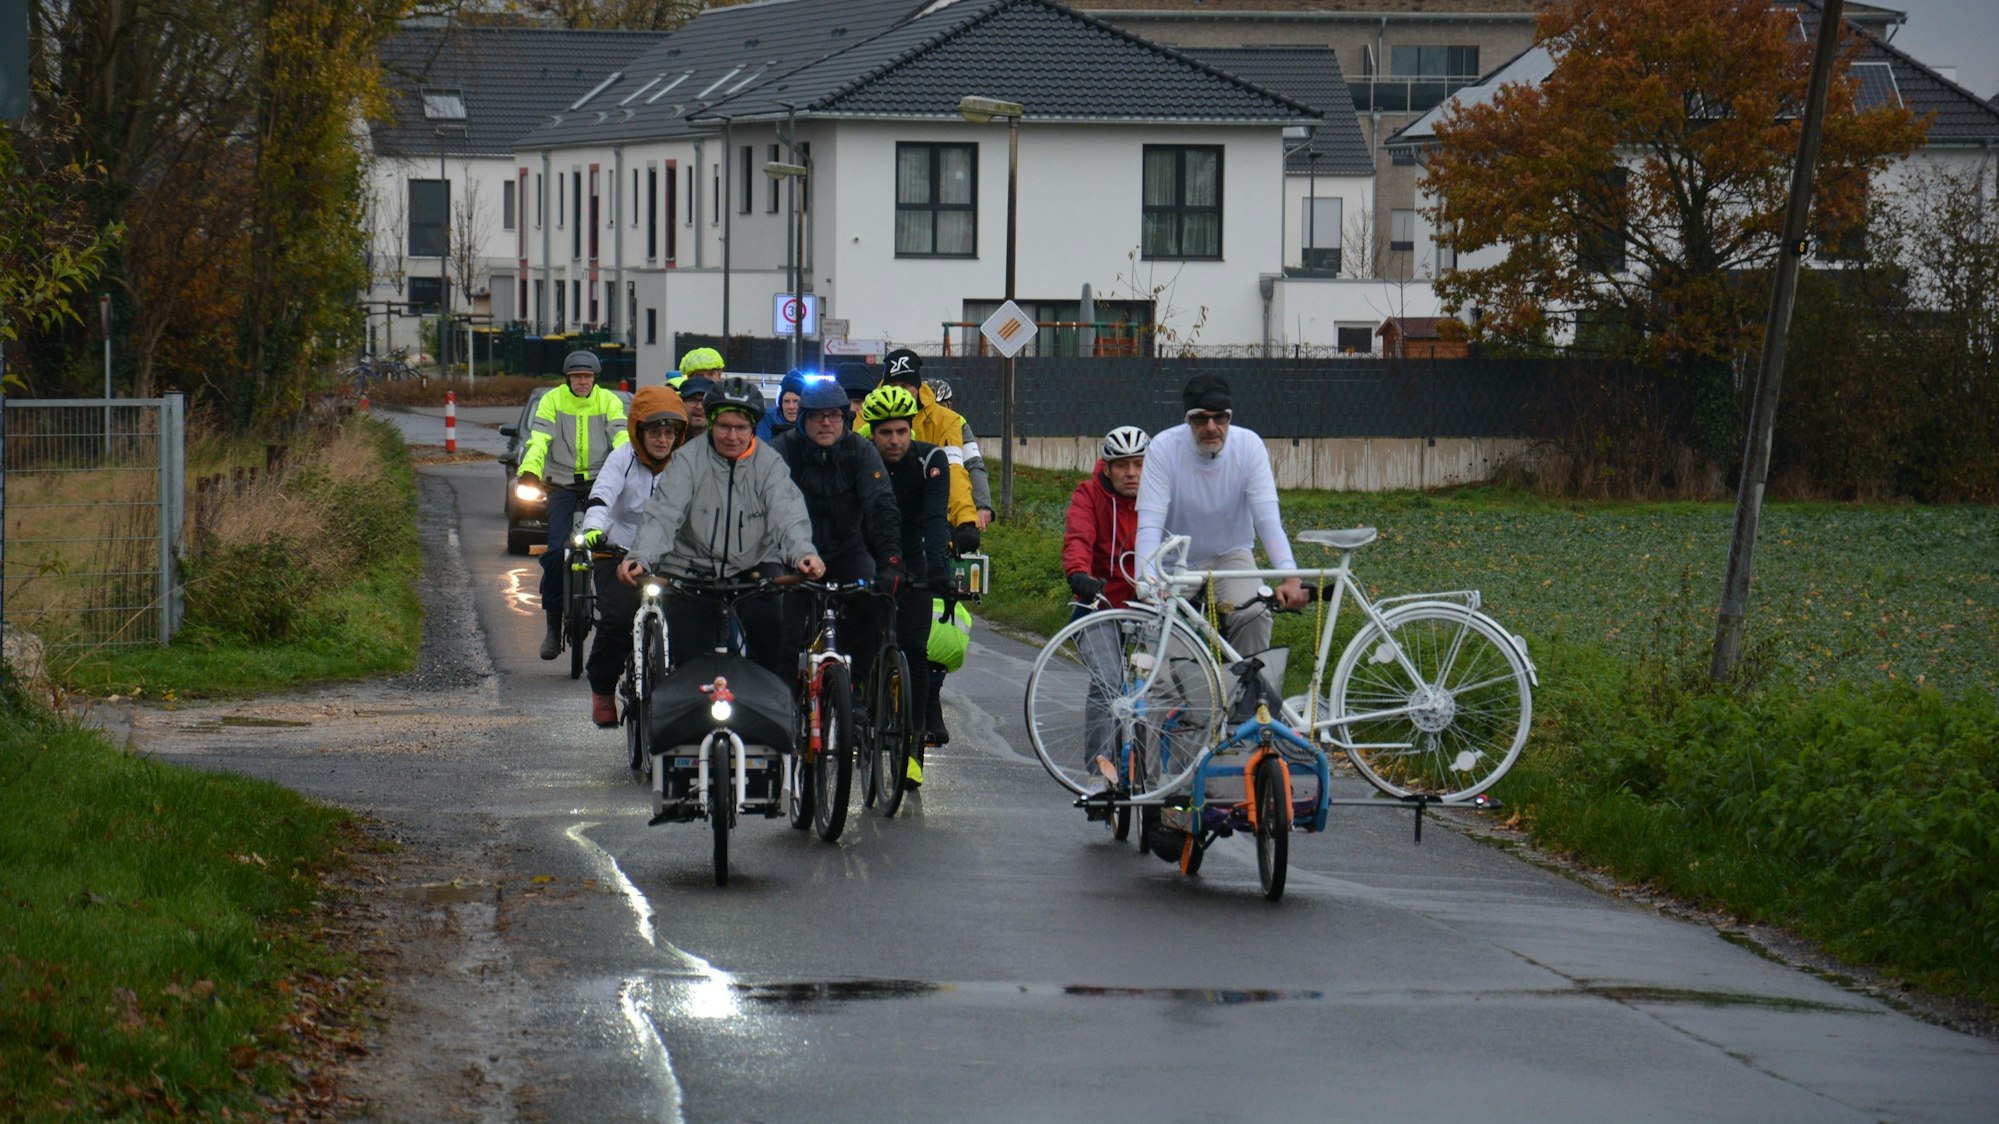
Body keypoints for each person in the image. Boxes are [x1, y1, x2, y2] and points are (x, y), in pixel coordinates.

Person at [618, 377, 825, 687]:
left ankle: (762, 707)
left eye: (741, 427)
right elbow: (663, 514)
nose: (732, 436)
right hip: (690, 570)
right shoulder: (686, 460)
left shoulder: (770, 464)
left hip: (753, 569)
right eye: (724, 426)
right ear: (711, 423)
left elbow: (787, 513)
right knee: (692, 666)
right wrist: (641, 557)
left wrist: (803, 554)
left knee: (770, 650)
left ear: (753, 428)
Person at [1133, 372, 1307, 661]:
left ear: (1230, 417)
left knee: (1253, 614)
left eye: (1220, 417)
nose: (1211, 427)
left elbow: (1267, 521)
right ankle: (1180, 685)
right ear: (1188, 420)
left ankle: (1249, 686)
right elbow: (1149, 525)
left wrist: (1290, 575)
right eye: (1201, 419)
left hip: (1230, 554)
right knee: (1164, 633)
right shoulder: (1163, 448)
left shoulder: (1249, 446)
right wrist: (1148, 580)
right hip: (1175, 560)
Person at [772, 377, 904, 694]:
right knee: (780, 631)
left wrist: (891, 562)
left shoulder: (862, 452)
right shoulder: (781, 450)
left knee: (872, 602)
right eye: (817, 416)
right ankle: (781, 702)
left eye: (834, 415)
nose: (826, 422)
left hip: (846, 549)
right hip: (791, 556)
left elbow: (881, 507)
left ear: (845, 418)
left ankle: (856, 686)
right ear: (803, 419)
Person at [577, 386, 686, 726]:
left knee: (690, 616)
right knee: (618, 618)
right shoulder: (622, 458)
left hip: (668, 555)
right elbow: (601, 497)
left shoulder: (686, 464)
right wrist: (593, 529)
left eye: (669, 433)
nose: (662, 440)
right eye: (655, 432)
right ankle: (602, 688)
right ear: (639, 432)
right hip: (616, 552)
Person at [861, 384, 952, 783]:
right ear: (872, 433)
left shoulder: (930, 459)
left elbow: (935, 520)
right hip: (870, 556)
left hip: (914, 558)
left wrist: (940, 573)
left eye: (902, 431)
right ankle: (858, 715)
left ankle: (913, 747)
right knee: (863, 643)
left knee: (915, 649)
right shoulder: (860, 458)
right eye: (885, 433)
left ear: (912, 428)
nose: (895, 440)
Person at [518, 350, 629, 660]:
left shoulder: (609, 401)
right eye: (577, 377)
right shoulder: (552, 401)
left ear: (595, 378)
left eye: (587, 376)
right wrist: (530, 470)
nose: (582, 382)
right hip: (561, 484)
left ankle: (612, 616)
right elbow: (539, 440)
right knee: (555, 553)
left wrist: (627, 469)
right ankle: (553, 626)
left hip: (599, 483)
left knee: (610, 551)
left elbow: (621, 439)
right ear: (567, 378)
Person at [1061, 426, 1150, 794]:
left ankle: (1160, 772)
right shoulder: (1088, 495)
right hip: (1100, 605)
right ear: (1108, 468)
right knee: (1108, 679)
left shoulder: (1162, 496)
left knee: (1163, 683)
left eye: (1139, 465)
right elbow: (1078, 537)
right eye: (1122, 466)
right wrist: (1079, 573)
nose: (1131, 473)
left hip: (1149, 608)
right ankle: (1099, 773)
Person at [866, 349, 983, 548]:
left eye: (905, 386)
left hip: (929, 513)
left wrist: (965, 521)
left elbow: (954, 470)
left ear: (918, 386)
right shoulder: (868, 414)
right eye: (893, 385)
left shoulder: (946, 420)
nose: (900, 391)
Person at [926, 376, 995, 532]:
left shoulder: (959, 424)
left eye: (941, 407)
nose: (937, 413)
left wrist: (983, 506)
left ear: (950, 406)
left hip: (952, 505)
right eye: (931, 407)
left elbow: (974, 465)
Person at [757, 369, 808, 441]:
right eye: (786, 401)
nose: (791, 407)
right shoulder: (767, 417)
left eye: (796, 401)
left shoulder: (813, 419)